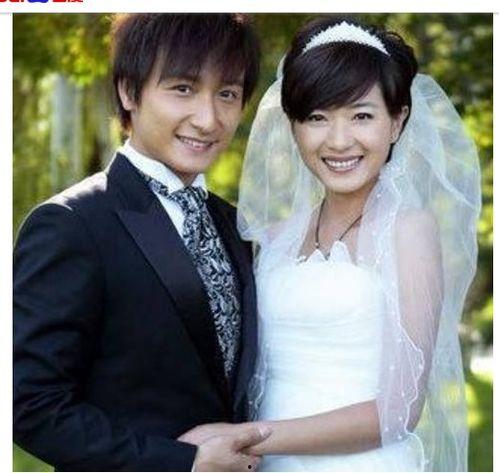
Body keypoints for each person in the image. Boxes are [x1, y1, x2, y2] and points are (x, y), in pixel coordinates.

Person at [179, 16, 481, 471]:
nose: (339, 141)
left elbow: (400, 409)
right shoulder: (272, 239)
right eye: (317, 118)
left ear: (397, 121)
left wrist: (247, 437)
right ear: (294, 126)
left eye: (362, 116)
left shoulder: (408, 231)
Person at [13, 13, 269, 471]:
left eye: (227, 94)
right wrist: (183, 463)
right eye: (183, 89)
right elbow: (29, 405)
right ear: (129, 91)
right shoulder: (71, 224)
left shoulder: (235, 226)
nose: (208, 119)